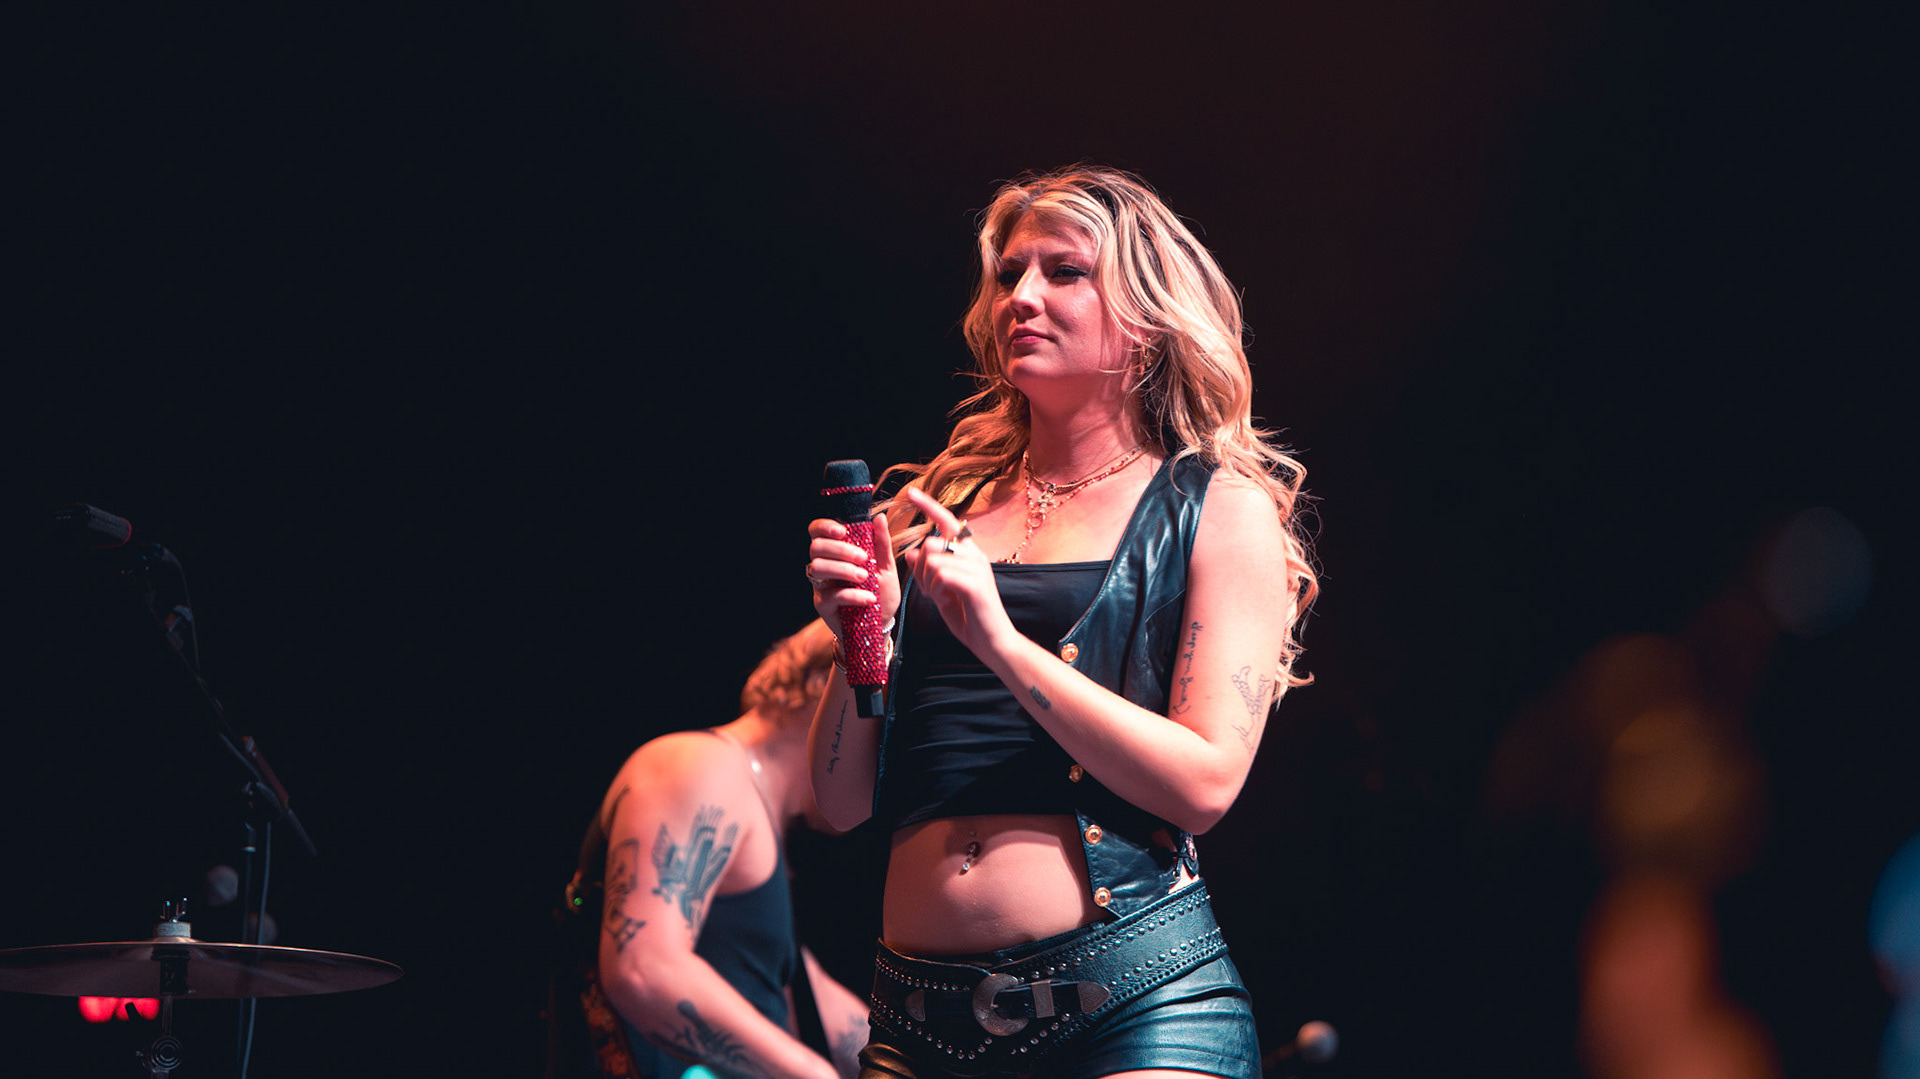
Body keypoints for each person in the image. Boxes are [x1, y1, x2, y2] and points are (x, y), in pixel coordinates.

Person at [803, 165, 1317, 1079]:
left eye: (1064, 271)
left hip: (1132, 1007)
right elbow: (839, 805)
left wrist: (1001, 643)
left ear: (1146, 318)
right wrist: (860, 639)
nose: (1022, 297)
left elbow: (1204, 784)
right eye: (1009, 274)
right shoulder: (936, 507)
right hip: (919, 1024)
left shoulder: (1211, 508)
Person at [548, 620, 870, 1079]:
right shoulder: (701, 765)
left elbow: (820, 1007)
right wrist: (812, 1073)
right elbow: (644, 968)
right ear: (830, 690)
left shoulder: (756, 812)